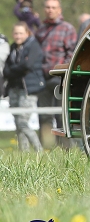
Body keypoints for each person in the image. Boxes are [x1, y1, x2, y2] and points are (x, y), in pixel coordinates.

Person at [34, 0, 77, 141]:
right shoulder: (40, 30)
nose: (50, 10)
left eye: (53, 7)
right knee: (44, 115)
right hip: (42, 79)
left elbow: (72, 54)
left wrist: (62, 71)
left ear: (59, 10)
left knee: (61, 115)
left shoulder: (67, 28)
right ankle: (46, 147)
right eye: (47, 7)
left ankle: (65, 148)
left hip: (60, 78)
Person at [3, 22, 44, 151]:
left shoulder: (34, 46)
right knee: (17, 123)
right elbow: (6, 69)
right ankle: (24, 153)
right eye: (15, 33)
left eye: (21, 33)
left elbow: (27, 65)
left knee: (23, 122)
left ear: (27, 33)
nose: (18, 36)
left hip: (29, 90)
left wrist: (13, 69)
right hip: (14, 89)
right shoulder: (13, 48)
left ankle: (39, 150)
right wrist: (16, 69)